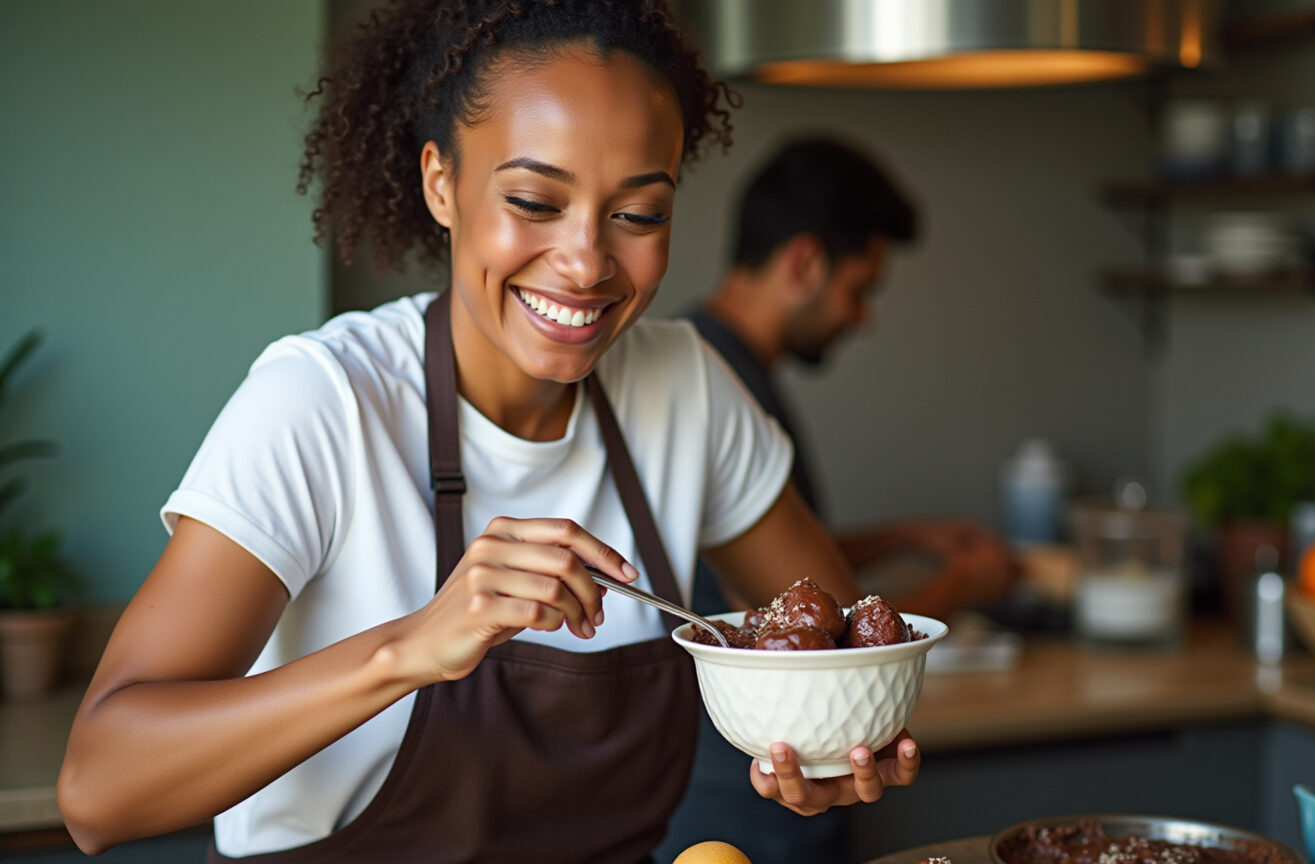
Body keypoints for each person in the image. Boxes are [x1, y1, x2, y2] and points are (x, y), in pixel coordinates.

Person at [55, 5, 920, 862]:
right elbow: (100, 792)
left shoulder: (687, 388)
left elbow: (844, 651)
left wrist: (832, 750)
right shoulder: (323, 402)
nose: (586, 262)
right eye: (535, 200)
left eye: (639, 214)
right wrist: (410, 648)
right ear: (441, 183)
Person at [660, 137, 1017, 863]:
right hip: (754, 803)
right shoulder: (714, 387)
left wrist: (907, 536)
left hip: (765, 783)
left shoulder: (714, 363)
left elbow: (780, 575)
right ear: (804, 264)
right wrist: (963, 587)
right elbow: (824, 638)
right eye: (861, 289)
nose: (862, 318)